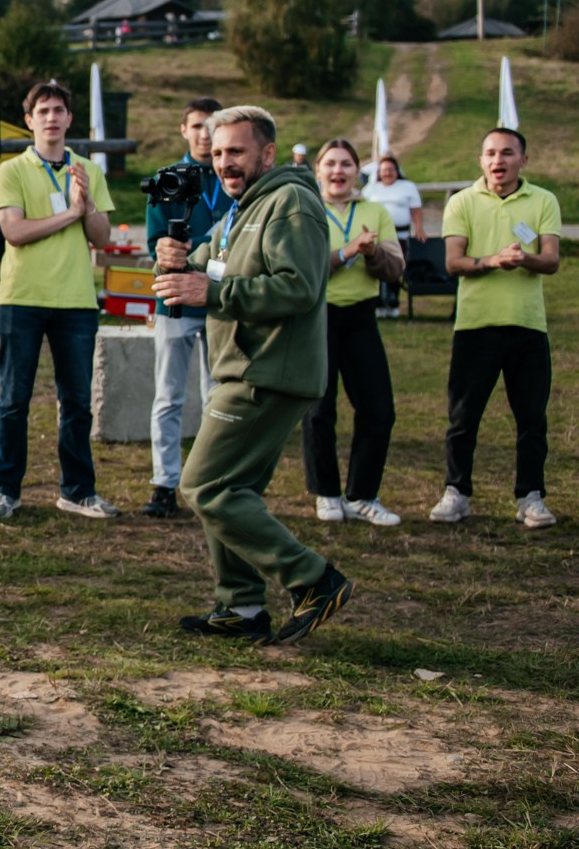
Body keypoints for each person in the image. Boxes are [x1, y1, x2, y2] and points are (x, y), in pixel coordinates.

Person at [153, 105, 353, 645]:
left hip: (268, 370)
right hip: (247, 366)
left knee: (202, 485)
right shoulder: (242, 211)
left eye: (236, 151)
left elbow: (299, 287)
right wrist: (173, 259)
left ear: (267, 153)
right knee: (233, 489)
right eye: (217, 153)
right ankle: (240, 608)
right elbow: (199, 266)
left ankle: (313, 578)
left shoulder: (291, 203)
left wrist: (209, 291)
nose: (224, 163)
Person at [0, 82, 117, 520]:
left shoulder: (88, 170)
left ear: (70, 119)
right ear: (30, 120)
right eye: (43, 111)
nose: (52, 117)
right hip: (22, 298)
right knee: (14, 399)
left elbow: (102, 237)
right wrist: (71, 215)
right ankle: (6, 490)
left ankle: (77, 491)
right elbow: (14, 232)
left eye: (60, 110)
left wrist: (88, 205)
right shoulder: (11, 170)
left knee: (76, 400)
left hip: (75, 299)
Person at [431, 127, 562, 529]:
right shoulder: (462, 202)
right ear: (481, 160)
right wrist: (491, 261)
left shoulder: (543, 200)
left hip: (527, 326)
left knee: (532, 419)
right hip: (475, 326)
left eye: (507, 153)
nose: (498, 161)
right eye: (490, 153)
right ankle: (457, 492)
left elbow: (551, 259)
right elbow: (453, 263)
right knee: (463, 417)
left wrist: (523, 259)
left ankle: (530, 496)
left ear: (524, 160)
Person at [301, 139, 404, 526]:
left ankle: (363, 495)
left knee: (379, 410)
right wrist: (348, 251)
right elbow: (307, 267)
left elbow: (396, 267)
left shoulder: (374, 211)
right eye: (330, 164)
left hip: (361, 317)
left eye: (346, 164)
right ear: (318, 171)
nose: (338, 172)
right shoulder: (307, 210)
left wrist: (373, 254)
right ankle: (326, 493)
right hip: (317, 317)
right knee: (318, 410)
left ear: (357, 171)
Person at [142, 97, 225, 518]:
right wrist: (168, 249)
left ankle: (212, 480)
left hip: (220, 301)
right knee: (169, 395)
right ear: (183, 130)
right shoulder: (167, 179)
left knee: (218, 394)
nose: (204, 133)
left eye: (212, 125)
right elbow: (153, 242)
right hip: (174, 297)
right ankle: (164, 482)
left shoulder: (233, 178)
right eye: (196, 125)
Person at [362, 153, 426, 318]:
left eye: (391, 169)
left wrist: (419, 227)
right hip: (376, 236)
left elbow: (416, 209)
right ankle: (378, 304)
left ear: (397, 171)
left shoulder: (407, 187)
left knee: (394, 268)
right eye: (384, 170)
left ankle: (393, 302)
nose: (387, 173)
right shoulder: (371, 189)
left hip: (400, 236)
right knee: (376, 267)